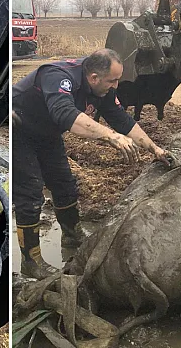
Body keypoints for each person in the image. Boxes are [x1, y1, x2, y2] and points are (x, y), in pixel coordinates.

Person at [12, 48, 172, 279]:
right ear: (94, 78)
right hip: (21, 128)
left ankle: (72, 235)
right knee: (30, 194)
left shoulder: (102, 89)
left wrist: (154, 148)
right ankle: (31, 260)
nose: (116, 85)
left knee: (65, 185)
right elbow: (65, 115)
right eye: (112, 80)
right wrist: (111, 136)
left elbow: (122, 120)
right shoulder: (59, 76)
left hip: (48, 133)